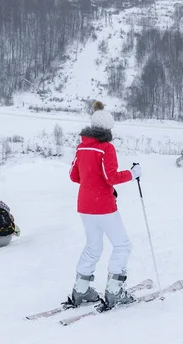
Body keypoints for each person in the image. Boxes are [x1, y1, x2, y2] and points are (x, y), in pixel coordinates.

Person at [63, 100, 142, 312]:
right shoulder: (106, 148)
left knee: (93, 246)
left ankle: (81, 290)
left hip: (84, 205)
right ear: (106, 129)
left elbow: (74, 175)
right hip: (104, 206)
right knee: (122, 245)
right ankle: (114, 292)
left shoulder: (82, 147)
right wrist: (133, 173)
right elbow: (111, 177)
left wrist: (91, 181)